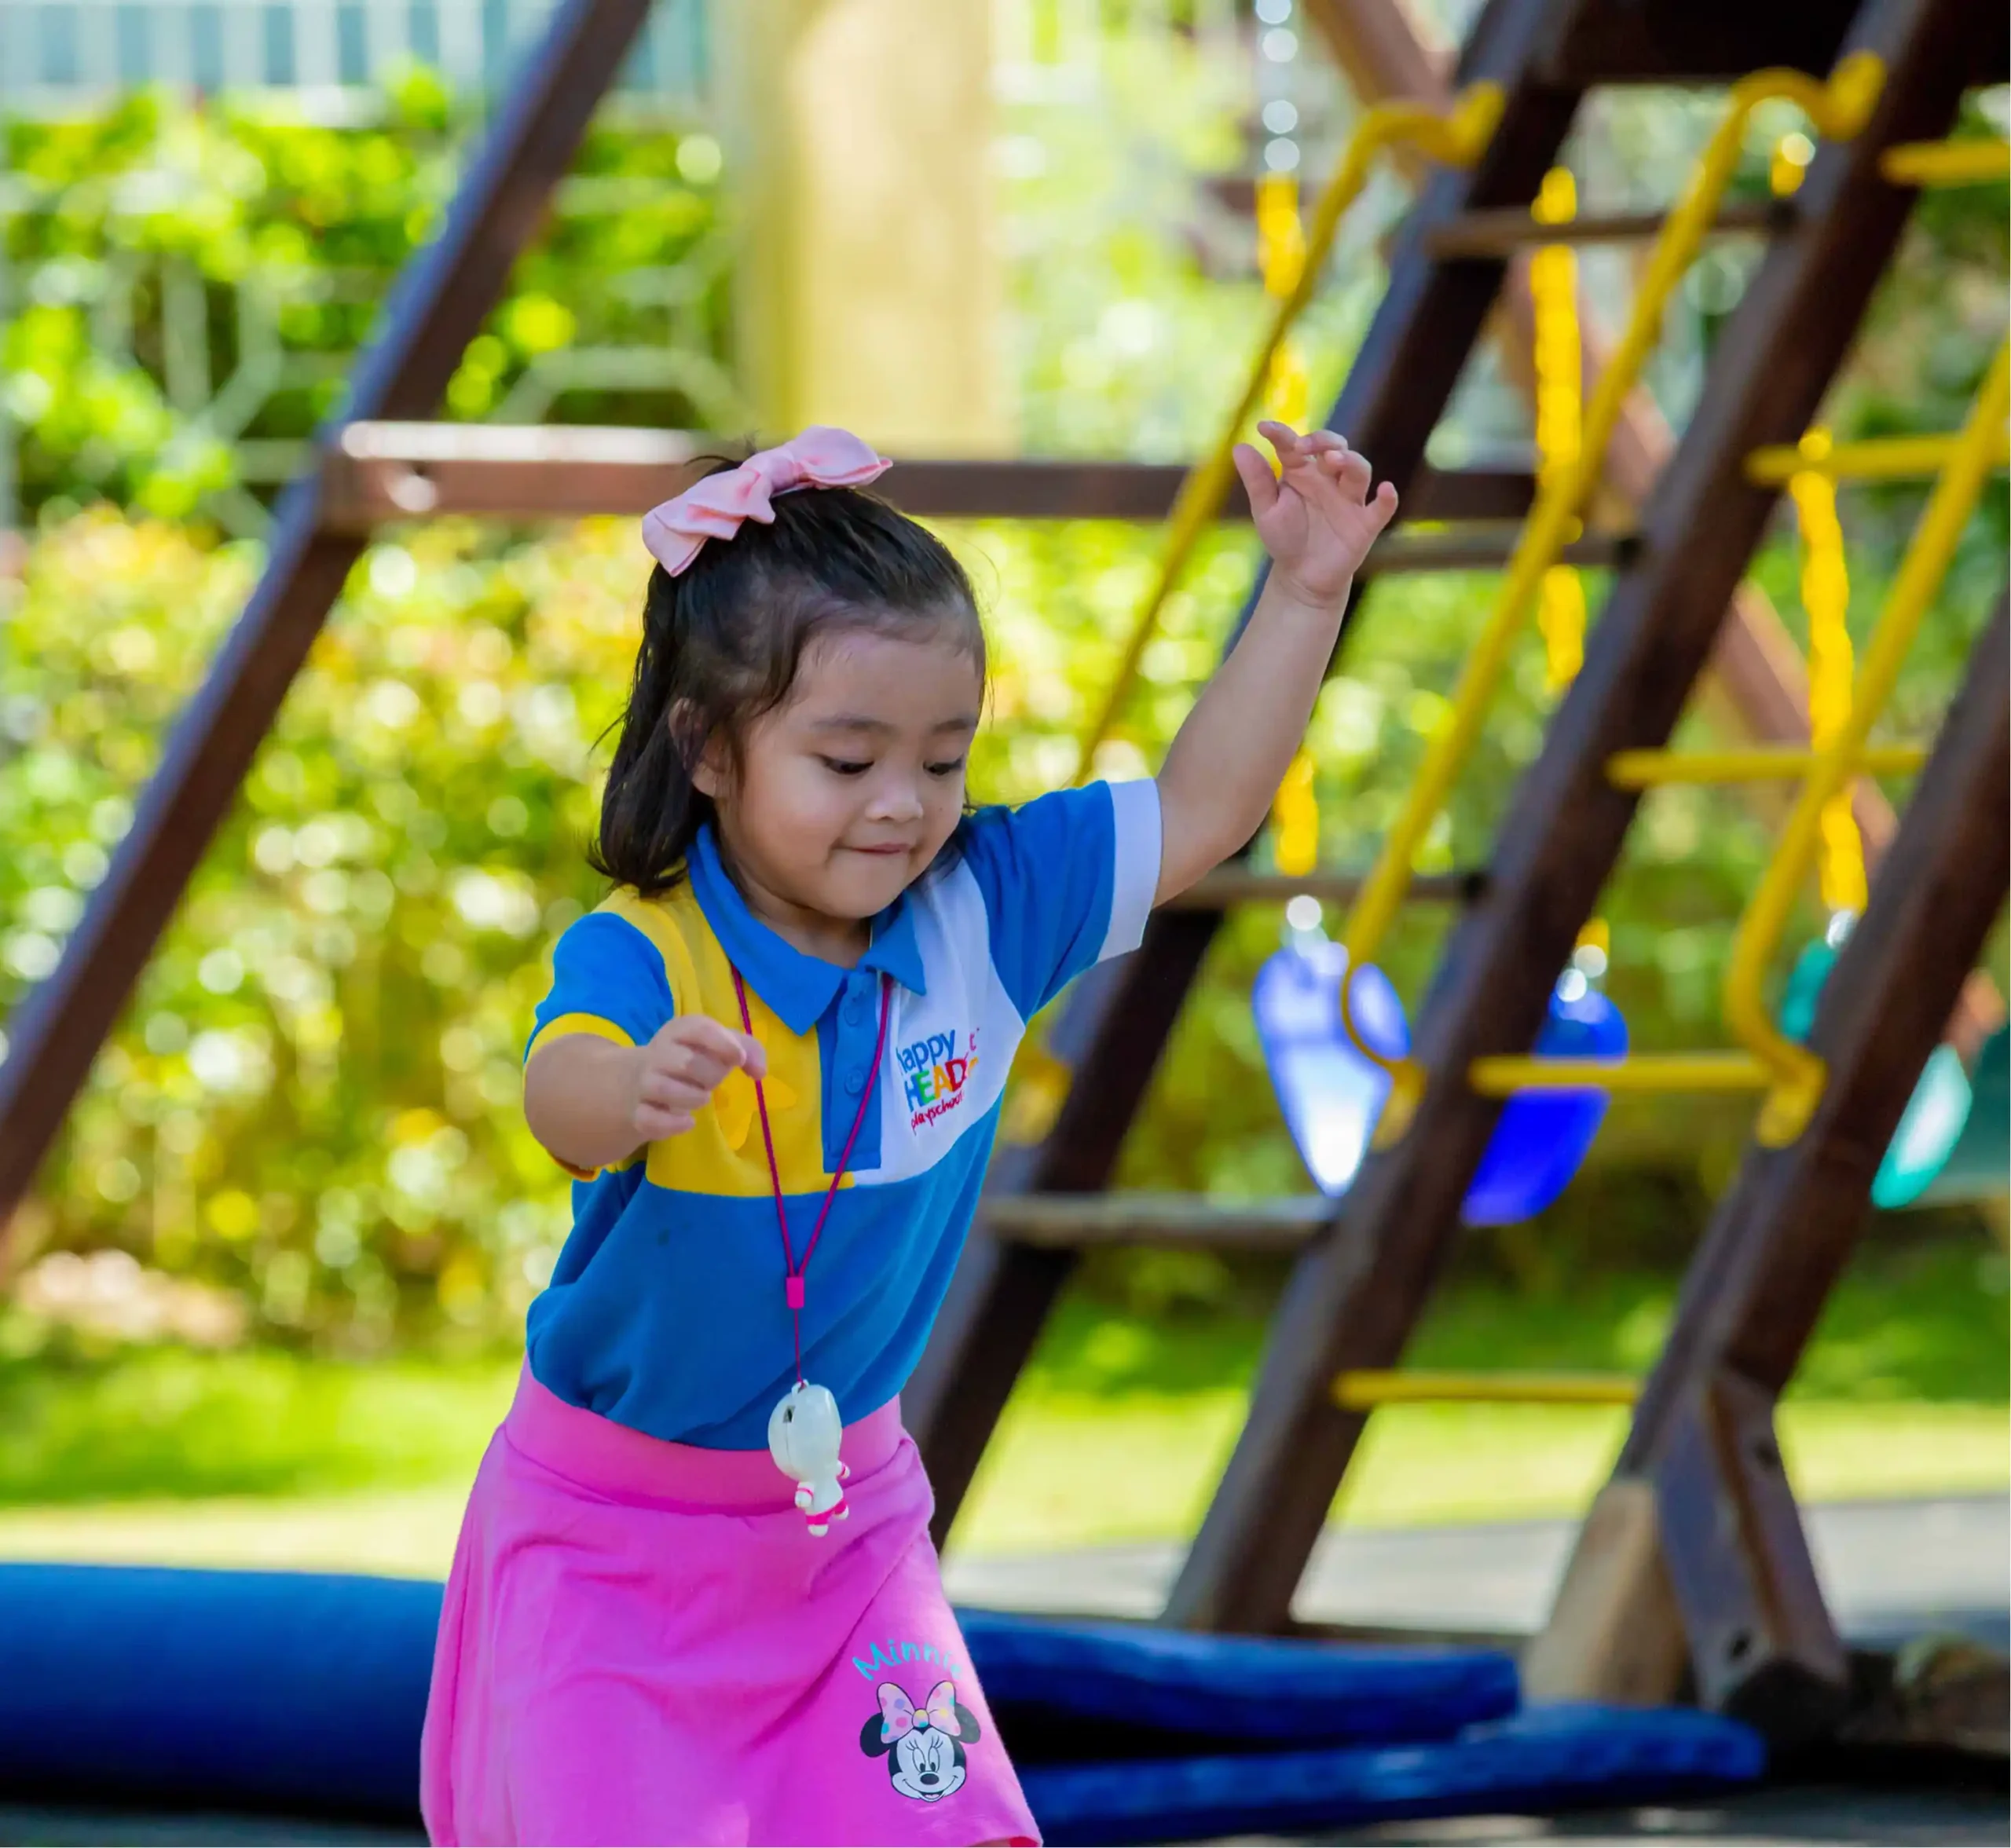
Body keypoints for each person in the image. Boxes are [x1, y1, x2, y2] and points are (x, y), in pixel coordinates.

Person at [419, 420, 1397, 1846]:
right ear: (707, 750)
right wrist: (625, 1095)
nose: (903, 804)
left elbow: (1202, 808)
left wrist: (1306, 594)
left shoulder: (988, 909)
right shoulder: (650, 949)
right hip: (609, 1543)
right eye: (845, 759)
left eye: (944, 760)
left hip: (846, 1533)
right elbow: (558, 1087)